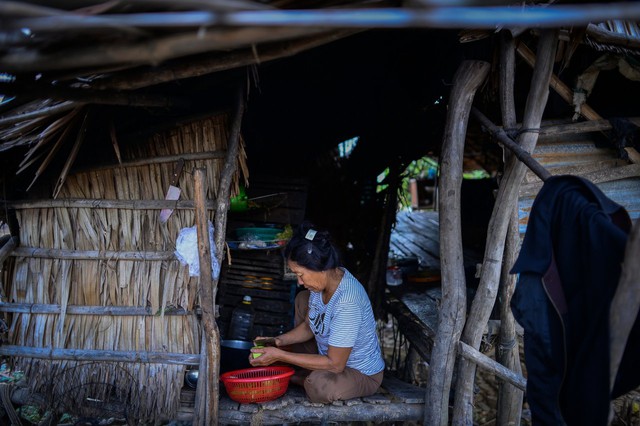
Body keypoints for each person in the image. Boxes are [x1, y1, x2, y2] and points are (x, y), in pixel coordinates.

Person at [249, 222, 385, 403]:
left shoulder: (347, 301)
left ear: (319, 268)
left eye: (300, 274)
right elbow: (308, 325)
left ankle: (298, 377)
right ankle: (302, 371)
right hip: (327, 355)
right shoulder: (321, 284)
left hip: (358, 372)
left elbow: (335, 365)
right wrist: (278, 341)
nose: (299, 281)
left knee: (319, 386)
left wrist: (280, 355)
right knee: (302, 298)